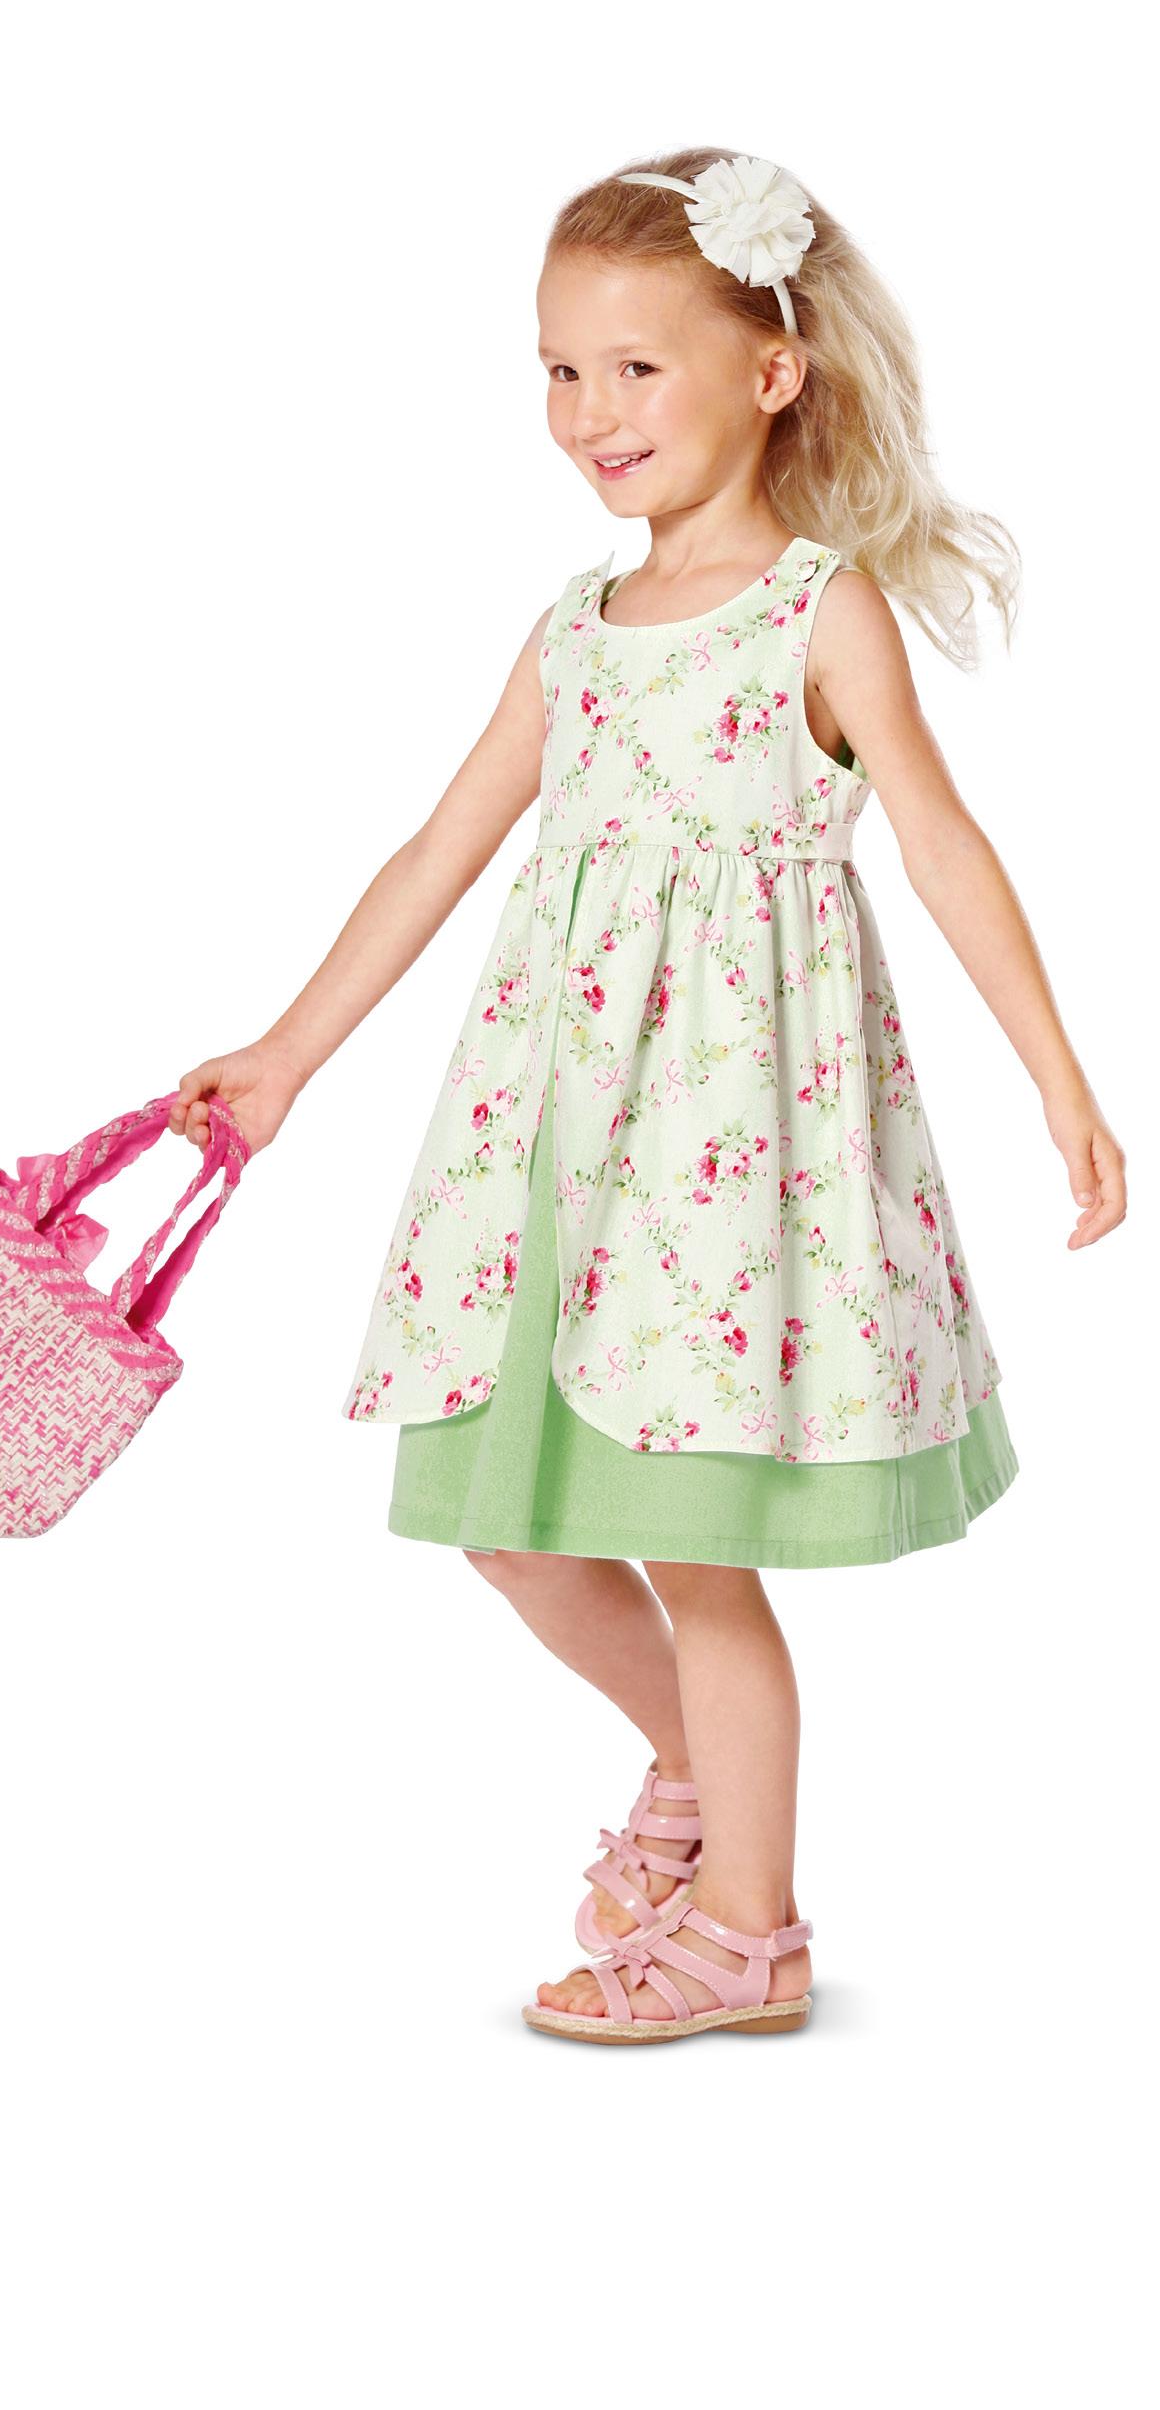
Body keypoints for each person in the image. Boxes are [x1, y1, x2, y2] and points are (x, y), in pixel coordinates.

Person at [169, 148, 1126, 2044]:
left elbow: (944, 846)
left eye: (633, 368)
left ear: (770, 372)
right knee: (512, 1521)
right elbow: (437, 852)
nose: (589, 411)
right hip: (552, 1142)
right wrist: (284, 1057)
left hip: (722, 1166)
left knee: (696, 1547)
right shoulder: (573, 632)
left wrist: (1061, 1077)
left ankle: (750, 1931)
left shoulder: (817, 615)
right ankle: (701, 1782)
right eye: (558, 369)